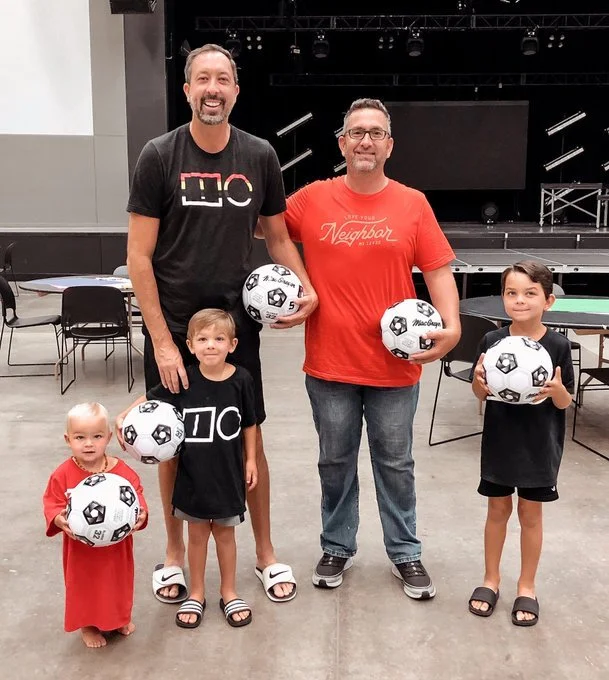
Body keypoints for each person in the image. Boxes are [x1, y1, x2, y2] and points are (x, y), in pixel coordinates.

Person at [126, 43, 317, 603]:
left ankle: (265, 553)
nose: (213, 89)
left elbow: (277, 237)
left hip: (235, 333)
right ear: (187, 90)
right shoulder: (159, 155)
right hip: (175, 330)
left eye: (223, 79)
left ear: (236, 90)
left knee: (245, 436)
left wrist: (305, 286)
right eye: (203, 79)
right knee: (171, 441)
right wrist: (163, 342)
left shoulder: (259, 155)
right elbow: (139, 257)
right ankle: (173, 555)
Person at [280, 98, 461, 598]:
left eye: (375, 133)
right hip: (330, 363)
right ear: (342, 143)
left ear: (389, 145)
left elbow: (438, 269)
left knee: (395, 464)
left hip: (395, 367)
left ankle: (405, 552)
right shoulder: (312, 198)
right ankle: (337, 545)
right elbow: (264, 225)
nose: (365, 140)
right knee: (335, 462)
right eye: (356, 132)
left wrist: (452, 328)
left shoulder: (412, 203)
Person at [119, 309, 257, 629]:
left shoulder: (241, 380)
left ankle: (229, 592)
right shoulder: (184, 380)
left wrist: (250, 460)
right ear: (191, 346)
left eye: (219, 339)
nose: (211, 345)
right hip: (193, 477)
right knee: (196, 536)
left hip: (228, 477)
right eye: (203, 339)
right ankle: (196, 593)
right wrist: (124, 415)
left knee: (225, 536)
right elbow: (150, 398)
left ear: (232, 344)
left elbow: (249, 423)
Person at [468, 261, 574, 626]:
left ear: (548, 301)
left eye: (530, 293)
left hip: (540, 446)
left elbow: (565, 401)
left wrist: (557, 391)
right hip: (500, 442)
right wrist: (479, 383)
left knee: (530, 514)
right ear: (502, 298)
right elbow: (479, 392)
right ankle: (490, 579)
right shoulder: (492, 342)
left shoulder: (559, 345)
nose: (520, 300)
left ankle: (527, 586)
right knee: (497, 510)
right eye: (511, 293)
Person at [43, 403, 148, 648]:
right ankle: (88, 625)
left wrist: (141, 513)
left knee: (118, 583)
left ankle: (119, 618)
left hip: (116, 548)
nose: (88, 444)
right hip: (82, 552)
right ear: (68, 439)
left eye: (97, 437)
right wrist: (57, 517)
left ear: (109, 438)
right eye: (80, 437)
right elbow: (51, 502)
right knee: (85, 587)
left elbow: (136, 494)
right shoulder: (63, 473)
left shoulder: (121, 472)